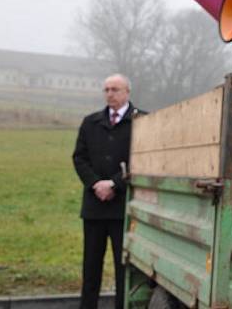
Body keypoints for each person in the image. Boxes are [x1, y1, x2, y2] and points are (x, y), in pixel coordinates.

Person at [72, 74, 143, 309]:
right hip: (94, 207)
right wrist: (96, 184)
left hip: (124, 208)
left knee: (124, 269)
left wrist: (114, 184)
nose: (109, 94)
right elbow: (79, 158)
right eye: (106, 89)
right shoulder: (90, 122)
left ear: (127, 92)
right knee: (91, 268)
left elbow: (144, 160)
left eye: (115, 89)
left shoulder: (143, 122)